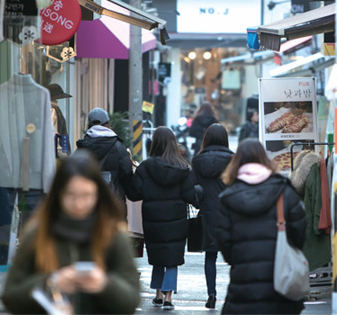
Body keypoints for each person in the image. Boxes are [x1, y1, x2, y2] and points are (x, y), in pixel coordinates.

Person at [1, 150, 140, 315]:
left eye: (87, 195)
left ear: (98, 195)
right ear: (58, 194)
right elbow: (10, 296)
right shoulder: (38, 234)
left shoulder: (113, 235)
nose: (79, 204)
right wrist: (51, 282)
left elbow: (132, 299)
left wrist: (104, 284)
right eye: (71, 195)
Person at [216, 139, 306, 315]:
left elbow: (224, 243)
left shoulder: (227, 198)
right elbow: (299, 233)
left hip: (243, 284)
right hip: (281, 284)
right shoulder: (284, 192)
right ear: (264, 159)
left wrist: (240, 259)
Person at [120, 126, 200, 311]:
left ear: (154, 144)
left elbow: (134, 193)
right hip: (176, 221)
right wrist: (200, 193)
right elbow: (190, 195)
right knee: (172, 258)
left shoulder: (146, 167)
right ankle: (168, 297)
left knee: (157, 256)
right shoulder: (182, 168)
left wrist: (127, 175)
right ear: (173, 144)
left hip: (152, 220)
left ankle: (157, 294)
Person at [191, 123, 234, 309]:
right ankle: (234, 295)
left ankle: (211, 294)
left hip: (208, 212)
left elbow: (193, 187)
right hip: (230, 212)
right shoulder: (233, 160)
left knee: (210, 256)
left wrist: (198, 203)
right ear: (224, 139)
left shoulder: (197, 160)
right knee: (235, 257)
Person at [76, 108, 132, 203]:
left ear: (88, 125)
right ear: (108, 124)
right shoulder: (119, 147)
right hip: (114, 203)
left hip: (89, 204)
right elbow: (127, 174)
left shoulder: (82, 147)